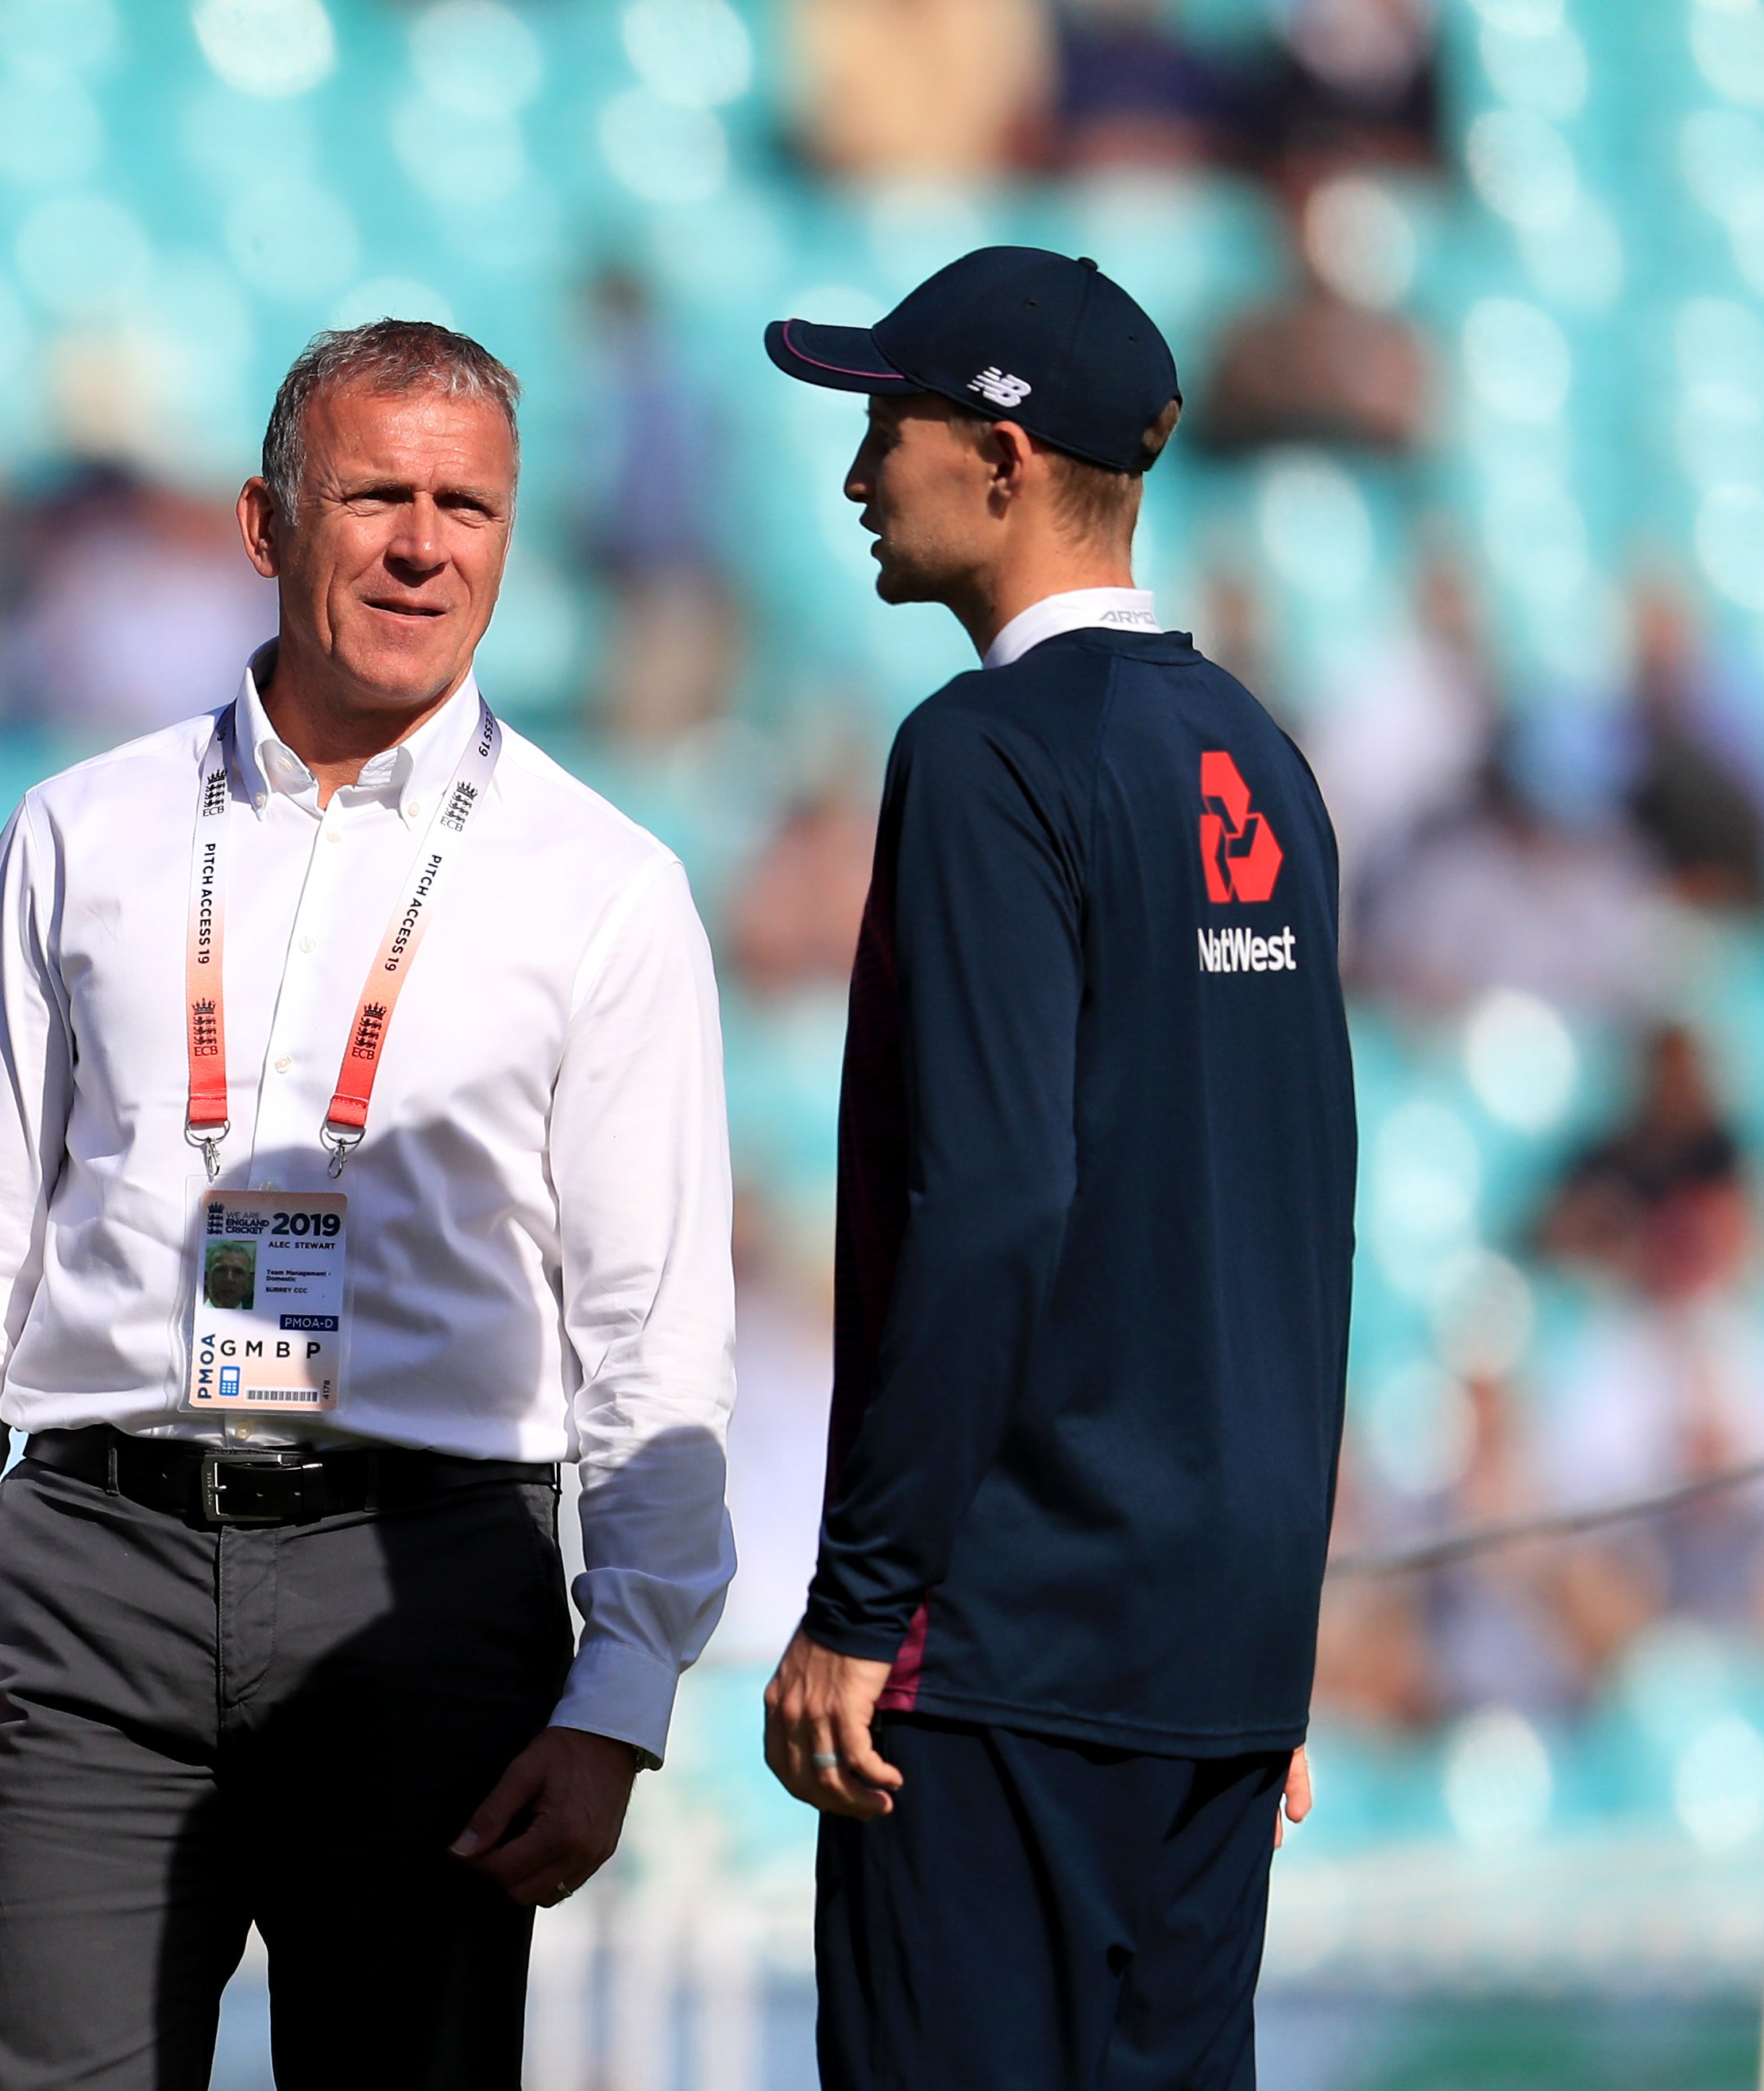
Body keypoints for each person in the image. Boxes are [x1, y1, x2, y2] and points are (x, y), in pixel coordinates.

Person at [0, 319, 738, 2088]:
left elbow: (653, 1329)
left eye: (465, 505)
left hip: (424, 1586)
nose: (423, 545)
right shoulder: (77, 832)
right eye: (376, 497)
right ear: (264, 525)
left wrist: (623, 1692)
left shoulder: (604, 887)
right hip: (92, 1573)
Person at [758, 250, 1357, 2088]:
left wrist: (863, 1600)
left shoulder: (984, 753)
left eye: (889, 422)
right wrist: (1260, 1638)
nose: (858, 472)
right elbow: (1303, 1210)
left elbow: (997, 1190)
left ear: (1003, 458)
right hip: (1211, 1655)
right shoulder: (1258, 747)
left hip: (1008, 1642)